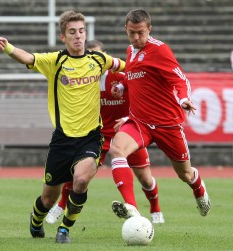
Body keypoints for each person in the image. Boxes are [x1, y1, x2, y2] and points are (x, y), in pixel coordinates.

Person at [0, 10, 125, 244]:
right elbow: (28, 58)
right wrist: (8, 47)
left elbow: (127, 67)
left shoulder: (98, 59)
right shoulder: (56, 61)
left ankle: (64, 229)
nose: (78, 36)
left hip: (91, 137)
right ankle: (36, 221)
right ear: (63, 37)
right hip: (62, 140)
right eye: (72, 32)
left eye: (81, 31)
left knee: (81, 181)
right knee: (48, 198)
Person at [45, 40, 164, 225]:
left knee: (146, 179)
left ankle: (155, 209)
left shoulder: (121, 77)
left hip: (125, 133)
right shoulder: (81, 80)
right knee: (79, 173)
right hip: (97, 135)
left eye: (97, 55)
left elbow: (143, 96)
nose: (92, 59)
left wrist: (130, 118)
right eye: (89, 54)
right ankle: (60, 206)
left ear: (104, 57)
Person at [109, 9, 211, 219]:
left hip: (167, 124)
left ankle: (199, 190)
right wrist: (122, 86)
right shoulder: (130, 51)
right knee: (117, 149)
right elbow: (135, 78)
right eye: (132, 33)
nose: (136, 38)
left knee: (185, 174)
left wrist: (183, 99)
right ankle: (131, 207)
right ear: (126, 30)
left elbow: (180, 79)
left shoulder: (160, 50)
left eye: (141, 33)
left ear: (150, 30)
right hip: (140, 122)